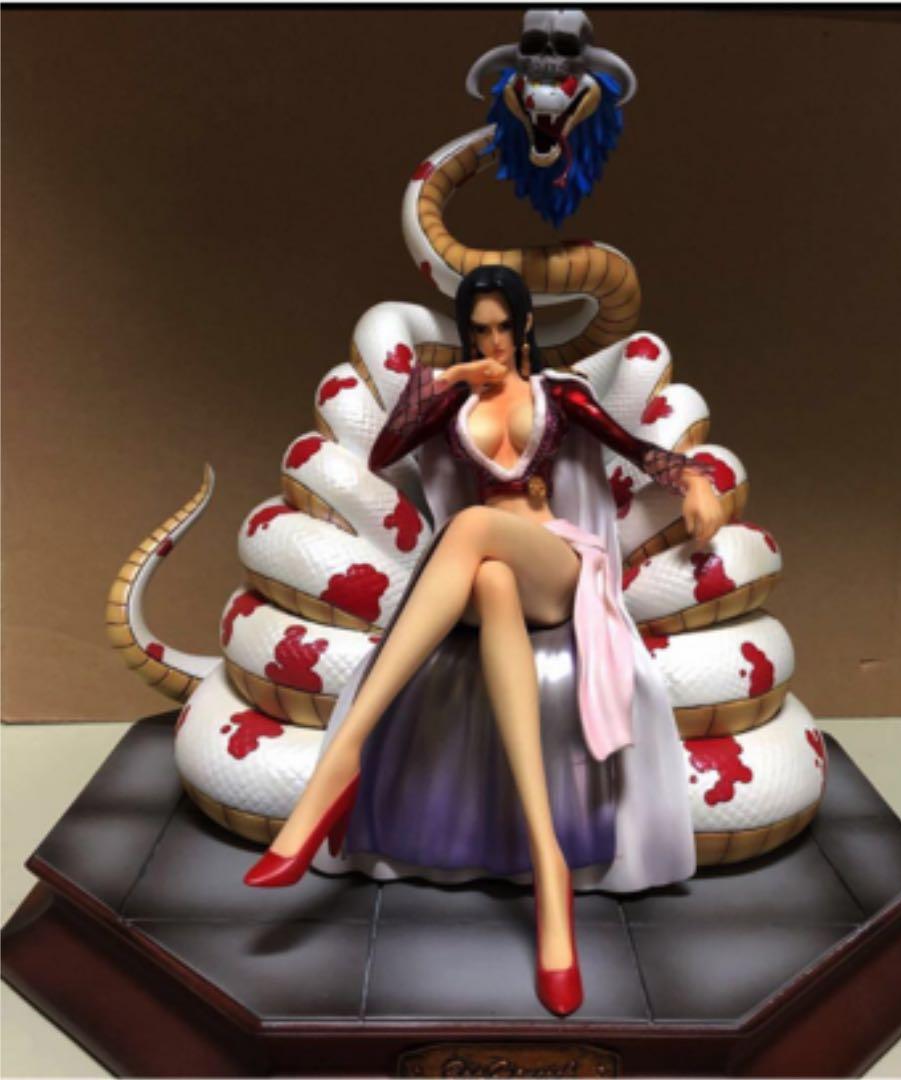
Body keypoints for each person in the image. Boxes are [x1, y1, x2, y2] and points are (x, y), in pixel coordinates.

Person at [244, 265, 725, 1016]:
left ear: (525, 325)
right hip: (479, 582)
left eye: (503, 327)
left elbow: (634, 448)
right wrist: (448, 381)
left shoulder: (558, 395)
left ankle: (344, 760)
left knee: (474, 526)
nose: (493, 342)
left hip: (553, 564)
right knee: (489, 576)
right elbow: (385, 452)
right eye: (479, 329)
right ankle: (549, 864)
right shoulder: (454, 396)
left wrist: (693, 479)